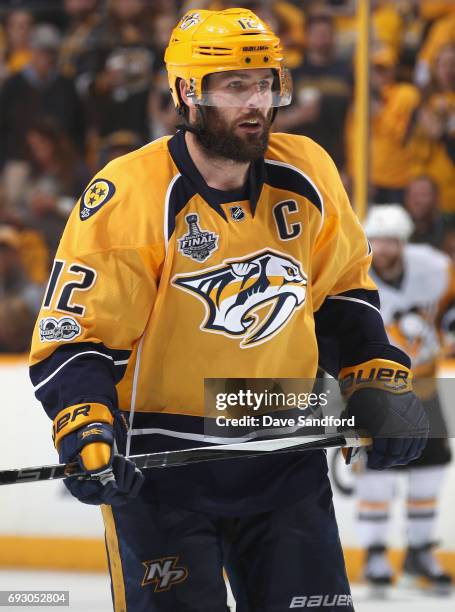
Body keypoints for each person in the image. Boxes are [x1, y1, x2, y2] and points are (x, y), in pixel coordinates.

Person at [29, 9, 428, 611]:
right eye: (235, 85)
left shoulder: (308, 170)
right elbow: (77, 334)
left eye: (266, 83)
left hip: (284, 456)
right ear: (188, 92)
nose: (258, 103)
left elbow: (342, 291)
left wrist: (374, 374)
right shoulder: (131, 192)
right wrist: (84, 423)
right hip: (164, 475)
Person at [356, 205, 452, 593]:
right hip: (377, 389)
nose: (385, 248)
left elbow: (450, 305)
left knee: (430, 469)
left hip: (425, 386)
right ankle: (376, 552)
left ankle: (419, 550)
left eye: (392, 240)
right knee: (377, 470)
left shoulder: (434, 267)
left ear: (404, 240)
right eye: (378, 240)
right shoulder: (354, 272)